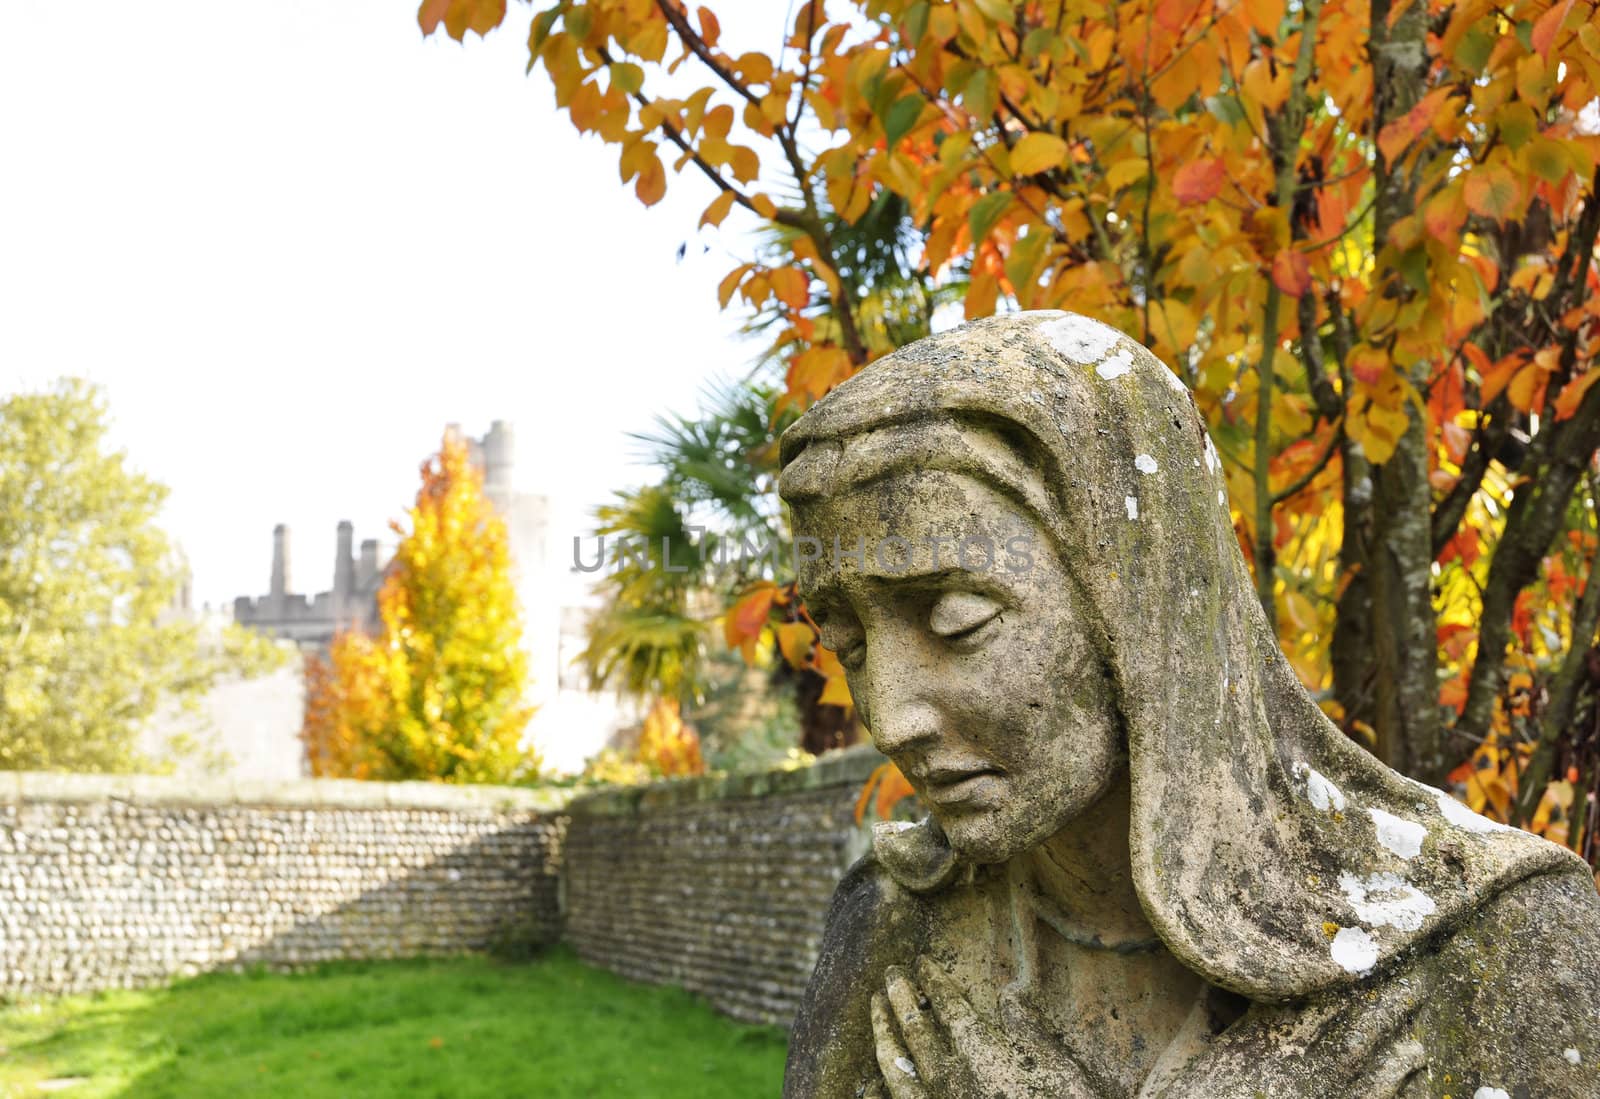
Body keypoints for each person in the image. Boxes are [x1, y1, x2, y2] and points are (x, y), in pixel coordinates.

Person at [776, 311, 1600, 1098]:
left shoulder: (1504, 941)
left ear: (1138, 594)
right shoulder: (885, 933)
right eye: (850, 643)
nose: (889, 717)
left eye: (956, 620)